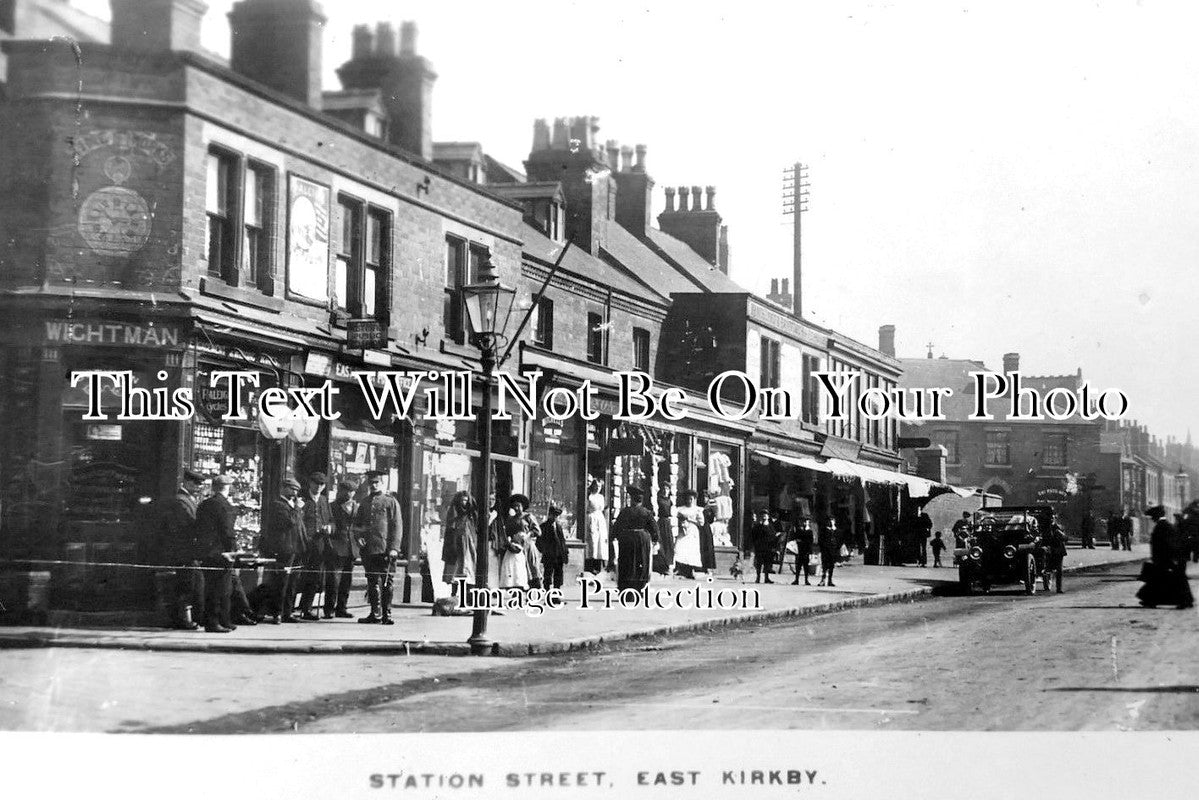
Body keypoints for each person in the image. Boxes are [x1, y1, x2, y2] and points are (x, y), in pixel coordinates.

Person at [354, 470, 402, 625]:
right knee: (373, 581)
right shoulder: (364, 502)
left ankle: (387, 614)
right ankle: (375, 614)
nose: (373, 485)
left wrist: (394, 547)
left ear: (382, 483)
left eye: (376, 482)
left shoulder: (390, 502)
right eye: (371, 483)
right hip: (369, 549)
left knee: (387, 581)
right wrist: (359, 537)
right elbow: (358, 525)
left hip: (386, 549)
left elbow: (396, 526)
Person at [160, 469, 206, 630]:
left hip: (188, 550)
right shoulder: (180, 501)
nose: (198, 487)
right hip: (183, 551)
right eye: (195, 484)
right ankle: (183, 619)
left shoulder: (188, 499)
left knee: (193, 584)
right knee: (186, 585)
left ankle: (191, 618)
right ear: (186, 482)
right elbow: (187, 525)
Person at [258, 477, 307, 624]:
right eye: (292, 489)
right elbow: (288, 523)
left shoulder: (291, 505)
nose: (294, 492)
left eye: (297, 490)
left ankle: (288, 611)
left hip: (295, 548)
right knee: (281, 582)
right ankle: (277, 612)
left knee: (292, 582)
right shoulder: (278, 505)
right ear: (284, 488)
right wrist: (297, 508)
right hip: (283, 548)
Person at [195, 474, 238, 632]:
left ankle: (220, 620)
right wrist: (232, 550)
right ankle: (216, 621)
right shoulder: (224, 505)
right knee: (221, 588)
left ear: (213, 487)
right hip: (221, 551)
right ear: (227, 488)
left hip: (207, 551)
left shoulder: (204, 504)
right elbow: (227, 531)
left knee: (212, 587)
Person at [1137, 505, 1194, 610]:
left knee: (1166, 580)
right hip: (1168, 558)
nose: (1152, 519)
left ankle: (1183, 601)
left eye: (1153, 517)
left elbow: (1168, 544)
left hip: (1167, 558)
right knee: (1168, 580)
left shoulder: (1162, 526)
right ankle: (1186, 600)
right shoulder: (1164, 525)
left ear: (1157, 517)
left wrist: (1171, 559)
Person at [297, 472, 334, 621]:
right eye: (316, 483)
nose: (318, 487)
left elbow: (331, 520)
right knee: (301, 576)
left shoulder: (324, 500)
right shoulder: (303, 500)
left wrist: (330, 528)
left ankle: (307, 608)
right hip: (304, 543)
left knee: (315, 577)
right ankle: (293, 609)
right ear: (310, 483)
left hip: (320, 544)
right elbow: (298, 521)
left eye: (321, 484)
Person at [613, 486, 656, 591]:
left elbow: (617, 527)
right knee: (641, 563)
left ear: (632, 499)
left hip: (627, 540)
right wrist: (655, 539)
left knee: (627, 564)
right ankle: (640, 589)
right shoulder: (646, 512)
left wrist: (615, 537)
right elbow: (654, 528)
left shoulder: (625, 512)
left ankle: (626, 590)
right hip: (642, 540)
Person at [326, 481, 359, 618]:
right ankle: (328, 609)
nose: (348, 494)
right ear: (339, 491)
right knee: (333, 580)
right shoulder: (331, 507)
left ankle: (342, 608)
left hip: (351, 547)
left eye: (351, 491)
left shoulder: (357, 507)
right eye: (345, 491)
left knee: (346, 580)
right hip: (337, 546)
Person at [498, 494, 536, 590]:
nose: (517, 508)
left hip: (527, 546)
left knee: (531, 569)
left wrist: (528, 535)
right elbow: (507, 533)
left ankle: (532, 594)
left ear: (523, 506)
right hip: (516, 548)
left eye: (518, 505)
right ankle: (517, 595)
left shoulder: (528, 517)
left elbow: (537, 531)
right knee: (517, 571)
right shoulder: (511, 519)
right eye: (514, 506)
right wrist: (510, 540)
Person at [441, 490, 478, 589]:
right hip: (456, 544)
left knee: (467, 567)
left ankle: (466, 591)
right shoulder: (454, 512)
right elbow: (451, 528)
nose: (464, 503)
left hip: (468, 545)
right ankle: (454, 591)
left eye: (466, 500)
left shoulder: (470, 514)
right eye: (462, 500)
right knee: (456, 568)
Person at [674, 489, 706, 579]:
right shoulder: (681, 509)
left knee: (691, 550)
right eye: (688, 499)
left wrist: (689, 519)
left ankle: (691, 569)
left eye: (691, 499)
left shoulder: (697, 510)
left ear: (694, 499)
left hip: (692, 531)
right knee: (680, 547)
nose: (689, 501)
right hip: (683, 530)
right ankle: (681, 569)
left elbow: (701, 523)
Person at [537, 504, 569, 590]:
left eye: (556, 515)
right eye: (553, 515)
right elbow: (539, 542)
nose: (555, 517)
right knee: (547, 576)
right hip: (549, 556)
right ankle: (548, 594)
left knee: (558, 576)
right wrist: (544, 550)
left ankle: (556, 594)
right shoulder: (544, 527)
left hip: (559, 556)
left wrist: (565, 553)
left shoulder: (558, 527)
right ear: (549, 514)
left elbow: (562, 541)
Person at [746, 509, 778, 584]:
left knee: (767, 564)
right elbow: (753, 536)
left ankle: (766, 578)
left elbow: (773, 536)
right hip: (760, 548)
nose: (764, 516)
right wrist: (755, 545)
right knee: (759, 563)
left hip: (768, 548)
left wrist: (774, 546)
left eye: (766, 515)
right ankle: (758, 577)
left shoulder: (770, 526)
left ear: (768, 516)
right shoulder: (757, 527)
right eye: (763, 515)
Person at [584, 478, 609, 574]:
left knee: (601, 541)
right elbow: (587, 508)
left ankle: (599, 564)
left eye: (600, 486)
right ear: (593, 486)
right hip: (591, 518)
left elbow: (602, 508)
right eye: (596, 486)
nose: (598, 488)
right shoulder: (589, 496)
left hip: (600, 518)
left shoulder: (601, 497)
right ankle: (591, 564)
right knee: (592, 540)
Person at [653, 488, 675, 576]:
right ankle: (661, 565)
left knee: (668, 543)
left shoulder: (670, 501)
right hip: (661, 522)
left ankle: (668, 565)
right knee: (660, 542)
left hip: (667, 523)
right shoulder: (659, 500)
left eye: (667, 489)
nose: (666, 490)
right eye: (664, 488)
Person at [789, 516, 815, 586]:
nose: (805, 523)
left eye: (807, 522)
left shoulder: (810, 531)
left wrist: (810, 552)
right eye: (804, 522)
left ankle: (806, 580)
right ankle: (796, 579)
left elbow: (810, 542)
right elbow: (796, 538)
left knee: (806, 567)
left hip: (806, 551)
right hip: (800, 550)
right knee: (798, 566)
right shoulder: (799, 530)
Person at [697, 489, 717, 573]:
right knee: (700, 546)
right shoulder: (698, 508)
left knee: (707, 546)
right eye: (703, 497)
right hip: (699, 529)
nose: (704, 499)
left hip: (707, 529)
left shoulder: (709, 509)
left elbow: (711, 520)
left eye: (706, 497)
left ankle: (708, 566)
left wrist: (712, 512)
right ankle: (700, 566)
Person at [1046, 518, 1068, 593]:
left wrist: (1060, 534)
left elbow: (1065, 538)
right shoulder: (1045, 527)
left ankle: (1059, 588)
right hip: (1050, 550)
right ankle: (1053, 585)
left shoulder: (1058, 528)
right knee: (1051, 568)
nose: (1051, 519)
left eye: (1052, 518)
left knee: (1059, 570)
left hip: (1058, 551)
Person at [817, 517, 841, 587]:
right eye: (830, 521)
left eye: (833, 521)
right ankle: (823, 579)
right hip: (825, 551)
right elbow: (820, 540)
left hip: (833, 551)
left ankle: (830, 580)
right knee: (824, 566)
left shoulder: (836, 530)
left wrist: (834, 530)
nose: (831, 522)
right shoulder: (824, 530)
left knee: (831, 566)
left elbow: (839, 539)